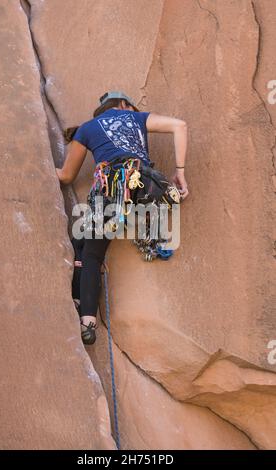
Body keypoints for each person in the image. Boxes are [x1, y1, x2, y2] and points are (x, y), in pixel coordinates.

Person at [56, 91, 189, 345]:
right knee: (84, 242)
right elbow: (179, 125)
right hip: (147, 187)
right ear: (124, 105)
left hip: (112, 188)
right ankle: (81, 305)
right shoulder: (136, 119)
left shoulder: (88, 128)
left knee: (90, 250)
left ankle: (87, 321)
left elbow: (66, 175)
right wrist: (179, 172)